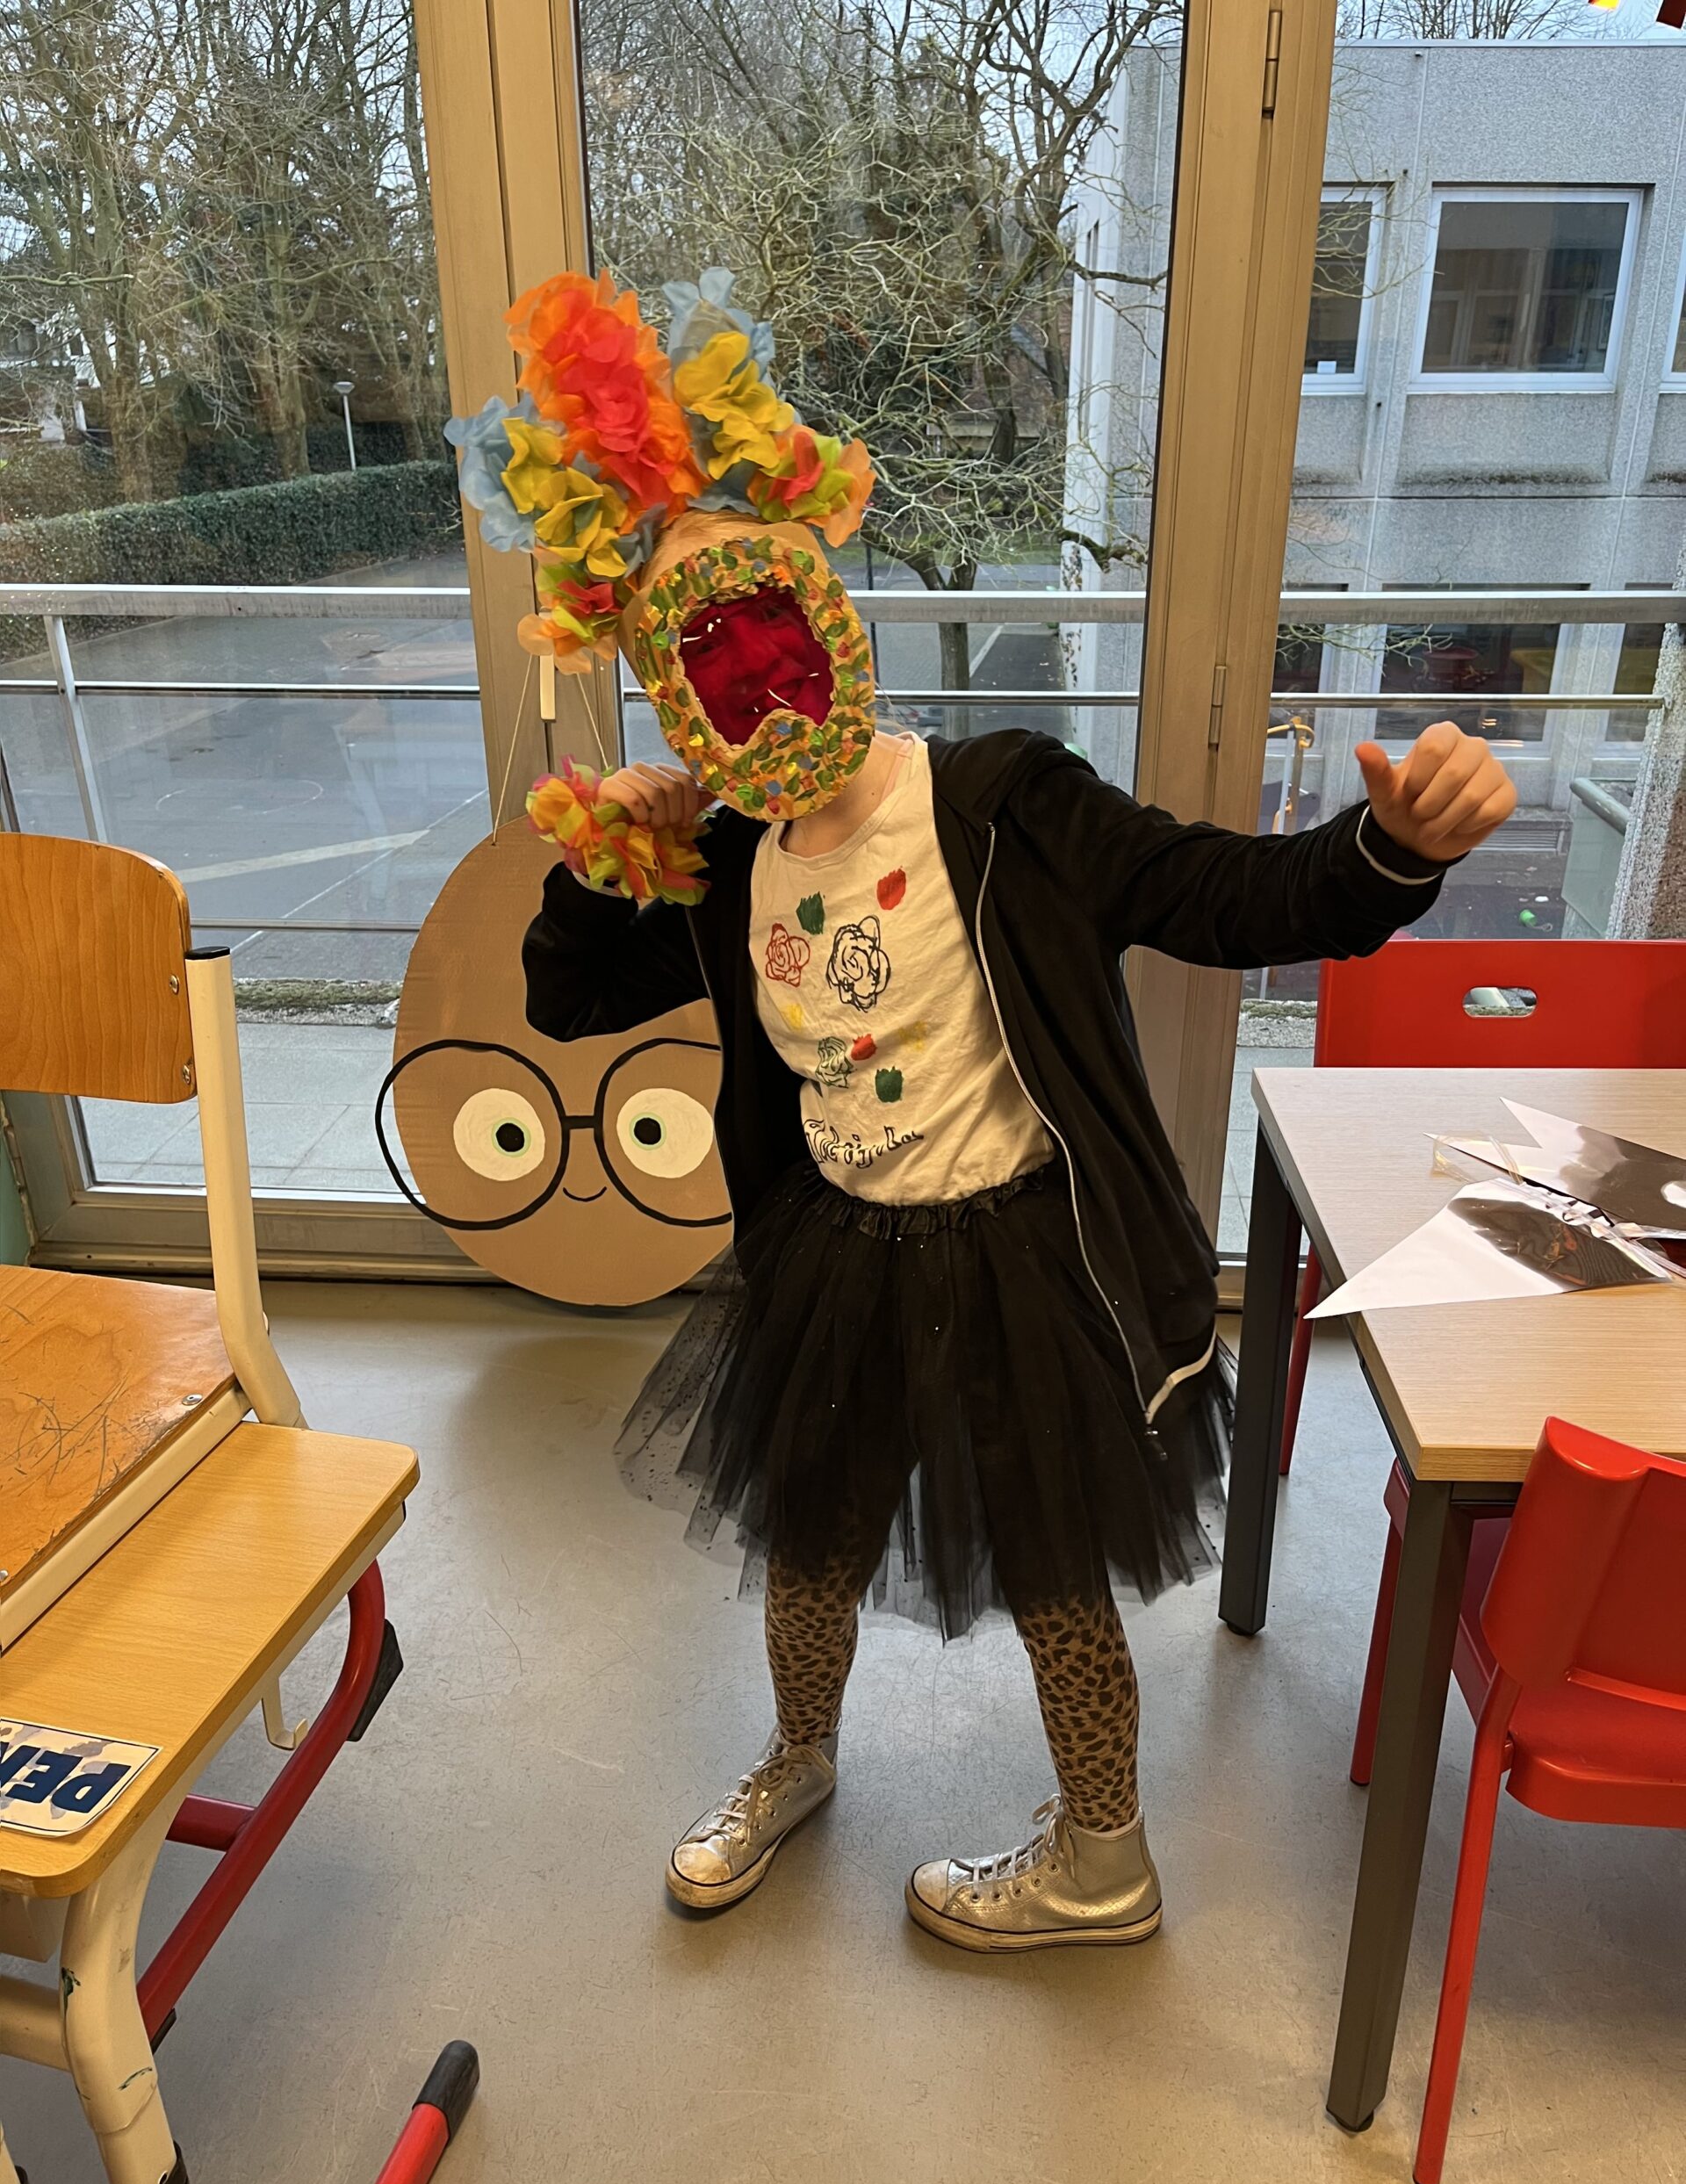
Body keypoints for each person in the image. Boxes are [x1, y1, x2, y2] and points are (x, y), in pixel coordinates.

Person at [452, 264, 1519, 1952]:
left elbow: (1224, 894)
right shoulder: (728, 861)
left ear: (826, 604)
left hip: (1026, 1258)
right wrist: (605, 866)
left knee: (1050, 1567)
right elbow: (563, 1005)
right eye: (700, 657)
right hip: (837, 1256)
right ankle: (799, 1757)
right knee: (811, 1540)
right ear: (666, 690)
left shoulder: (1003, 802)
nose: (750, 675)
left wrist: (1390, 851)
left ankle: (1105, 1857)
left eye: (763, 619)